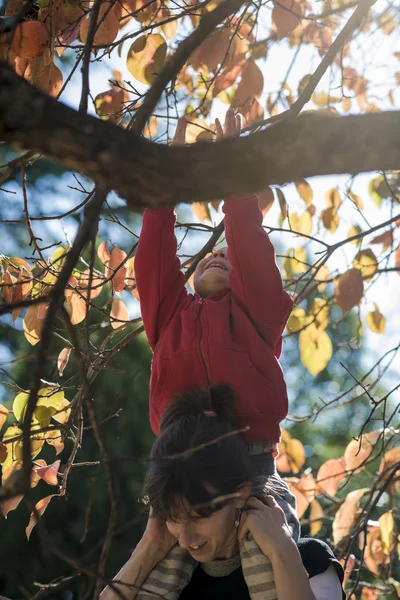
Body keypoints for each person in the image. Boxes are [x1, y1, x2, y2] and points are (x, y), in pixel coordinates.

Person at [134, 109, 298, 538]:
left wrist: (234, 177)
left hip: (252, 466)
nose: (219, 255)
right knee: (157, 576)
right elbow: (153, 258)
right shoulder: (171, 317)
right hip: (180, 467)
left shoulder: (255, 313)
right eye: (210, 255)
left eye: (228, 258)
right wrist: (167, 184)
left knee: (269, 562)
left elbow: (249, 248)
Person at [100, 386, 345, 600]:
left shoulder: (311, 561)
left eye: (199, 516)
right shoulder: (171, 582)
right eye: (173, 517)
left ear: (240, 493)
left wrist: (282, 551)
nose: (185, 540)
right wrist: (150, 545)